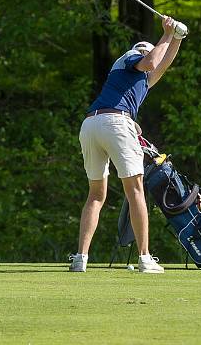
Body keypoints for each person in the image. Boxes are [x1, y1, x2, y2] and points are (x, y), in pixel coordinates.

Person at [70, 15, 186, 273]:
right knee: (135, 191)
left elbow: (162, 65)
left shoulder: (139, 81)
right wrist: (166, 34)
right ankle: (145, 258)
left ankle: (81, 258)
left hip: (91, 125)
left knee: (96, 195)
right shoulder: (132, 58)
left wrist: (176, 37)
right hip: (114, 124)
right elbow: (154, 60)